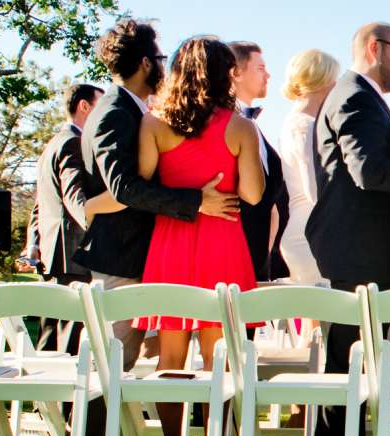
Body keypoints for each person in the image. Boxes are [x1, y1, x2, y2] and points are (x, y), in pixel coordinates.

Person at [78, 19, 238, 368]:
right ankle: (87, 426)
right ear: (147, 63)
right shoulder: (114, 112)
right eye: (162, 58)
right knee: (108, 369)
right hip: (120, 256)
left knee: (123, 364)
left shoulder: (134, 110)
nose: (166, 68)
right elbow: (123, 187)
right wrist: (197, 201)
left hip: (139, 256)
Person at [131, 37, 266, 436]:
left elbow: (145, 183)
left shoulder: (153, 123)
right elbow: (254, 194)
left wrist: (188, 194)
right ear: (227, 73)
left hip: (171, 242)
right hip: (223, 243)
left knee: (169, 359)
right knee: (218, 360)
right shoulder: (240, 126)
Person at [306, 22, 390, 436]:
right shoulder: (355, 97)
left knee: (354, 362)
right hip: (357, 252)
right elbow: (368, 171)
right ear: (374, 48)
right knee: (347, 364)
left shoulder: (360, 96)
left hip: (367, 250)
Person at [30, 82, 104, 350]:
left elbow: (38, 206)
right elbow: (76, 200)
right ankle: (67, 393)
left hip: (53, 254)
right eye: (101, 106)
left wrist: (34, 243)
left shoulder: (52, 143)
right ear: (84, 106)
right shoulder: (74, 142)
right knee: (70, 344)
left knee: (50, 339)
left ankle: (43, 392)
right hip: (73, 253)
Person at [275, 49, 339, 285]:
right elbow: (315, 190)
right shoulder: (305, 126)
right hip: (312, 234)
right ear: (323, 80)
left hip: (305, 230)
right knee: (324, 316)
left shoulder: (295, 121)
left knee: (317, 317)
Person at [227, 41, 289, 284]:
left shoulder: (250, 123)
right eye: (260, 68)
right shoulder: (227, 123)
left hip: (260, 253)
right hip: (235, 250)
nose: (268, 75)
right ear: (236, 73)